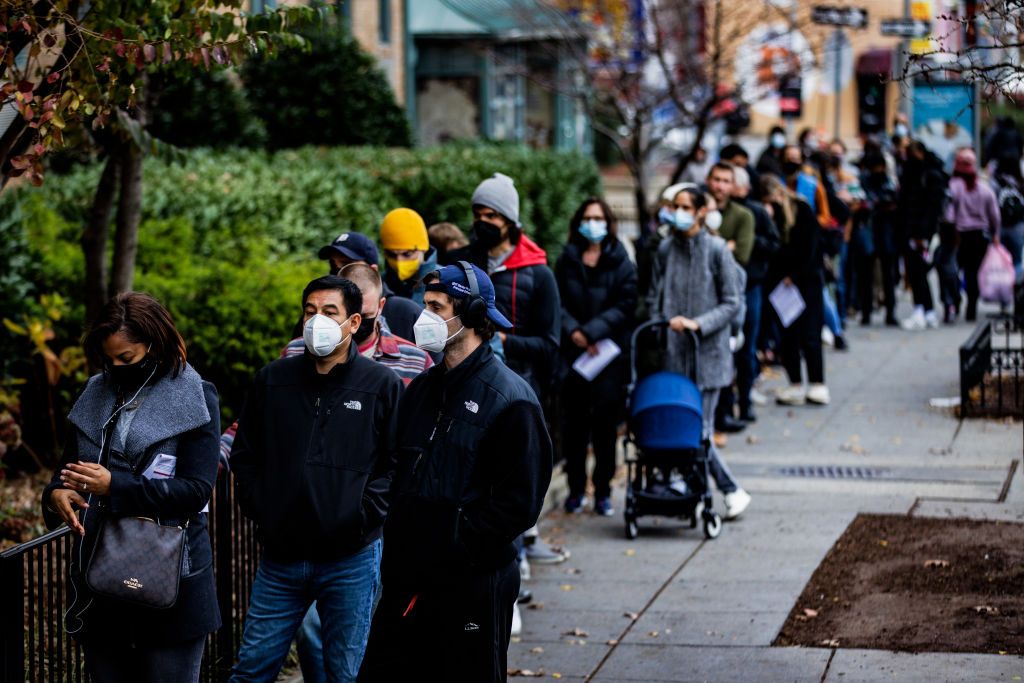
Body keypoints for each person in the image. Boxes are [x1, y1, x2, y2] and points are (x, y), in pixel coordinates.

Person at [359, 262, 553, 682]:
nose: (425, 315)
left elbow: (520, 502)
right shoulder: (423, 390)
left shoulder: (511, 399)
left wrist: (459, 540)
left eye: (436, 305)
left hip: (473, 582)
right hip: (409, 578)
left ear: (472, 315)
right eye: (425, 303)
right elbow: (395, 466)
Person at [230, 276, 404, 683]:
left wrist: (363, 515)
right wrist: (262, 507)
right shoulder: (272, 381)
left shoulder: (382, 386)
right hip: (281, 557)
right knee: (252, 668)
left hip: (350, 559)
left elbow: (396, 464)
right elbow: (246, 452)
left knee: (346, 671)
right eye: (310, 312)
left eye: (329, 313)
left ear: (355, 321)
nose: (317, 321)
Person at [42, 292, 221, 682]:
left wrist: (115, 486)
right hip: (101, 582)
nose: (116, 368)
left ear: (155, 344)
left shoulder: (195, 394)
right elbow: (66, 471)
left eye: (127, 358)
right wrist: (56, 492)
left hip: (172, 579)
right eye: (108, 359)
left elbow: (195, 490)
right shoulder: (95, 392)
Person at [293, 265, 432, 683]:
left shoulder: (411, 360)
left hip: (382, 512)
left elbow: (416, 440)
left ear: (370, 311)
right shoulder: (297, 356)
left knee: (364, 622)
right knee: (314, 625)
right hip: (319, 512)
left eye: (363, 313)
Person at [447, 173, 566, 569]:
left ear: (510, 220)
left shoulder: (539, 274)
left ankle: (512, 562)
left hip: (517, 391)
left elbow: (549, 345)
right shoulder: (462, 265)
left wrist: (502, 342)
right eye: (477, 212)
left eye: (491, 214)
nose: (482, 221)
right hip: (467, 385)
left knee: (509, 477)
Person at [647, 186, 751, 520]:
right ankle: (692, 486)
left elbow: (732, 302)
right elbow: (653, 294)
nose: (676, 212)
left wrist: (698, 324)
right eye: (674, 206)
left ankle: (730, 488)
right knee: (682, 425)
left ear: (701, 211)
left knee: (700, 430)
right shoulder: (665, 249)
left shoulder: (718, 250)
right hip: (673, 353)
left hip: (709, 355)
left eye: (683, 207)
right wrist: (657, 326)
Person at [555, 197, 637, 516]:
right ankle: (576, 489)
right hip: (575, 356)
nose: (593, 224)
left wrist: (593, 332)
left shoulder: (621, 262)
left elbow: (626, 305)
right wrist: (575, 332)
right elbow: (557, 302)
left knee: (605, 429)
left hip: (608, 357)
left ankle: (602, 490)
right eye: (587, 217)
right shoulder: (568, 260)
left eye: (598, 218)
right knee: (574, 428)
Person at [762, 175, 830, 406]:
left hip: (805, 280)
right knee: (788, 335)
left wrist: (795, 274)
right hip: (781, 284)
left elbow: (810, 247)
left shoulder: (801, 210)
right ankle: (796, 383)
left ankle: (817, 382)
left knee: (810, 333)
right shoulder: (770, 216)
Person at [706, 161, 755, 434]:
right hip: (702, 297)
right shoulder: (699, 206)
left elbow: (742, 255)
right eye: (716, 179)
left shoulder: (743, 216)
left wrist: (720, 248)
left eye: (726, 181)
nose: (720, 186)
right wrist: (726, 245)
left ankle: (734, 407)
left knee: (734, 354)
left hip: (731, 295)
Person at [731, 165, 780, 423]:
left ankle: (745, 399)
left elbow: (773, 244)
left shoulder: (757, 213)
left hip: (750, 284)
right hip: (726, 288)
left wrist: (747, 242)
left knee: (747, 346)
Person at [319, 231, 423, 342]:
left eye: (347, 264)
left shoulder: (406, 313)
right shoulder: (319, 309)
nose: (339, 271)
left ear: (372, 270)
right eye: (333, 265)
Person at [945, 147, 1001, 322]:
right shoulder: (985, 189)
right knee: (973, 273)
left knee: (953, 270)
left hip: (959, 236)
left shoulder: (953, 187)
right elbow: (995, 215)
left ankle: (954, 302)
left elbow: (949, 214)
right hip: (980, 236)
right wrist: (995, 234)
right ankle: (971, 307)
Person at [899, 141, 948, 330]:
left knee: (919, 272)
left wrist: (923, 235)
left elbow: (932, 209)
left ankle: (925, 310)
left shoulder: (929, 175)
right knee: (916, 272)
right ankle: (924, 310)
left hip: (921, 234)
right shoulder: (914, 173)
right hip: (912, 232)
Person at [857, 152, 901, 326]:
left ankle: (890, 311)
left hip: (885, 233)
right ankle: (866, 311)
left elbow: (892, 201)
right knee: (866, 276)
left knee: (888, 276)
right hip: (869, 231)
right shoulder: (864, 181)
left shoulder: (888, 182)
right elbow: (863, 200)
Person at [380, 208, 439, 307]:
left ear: (423, 248)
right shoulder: (379, 285)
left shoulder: (446, 282)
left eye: (407, 254)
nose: (399, 261)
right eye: (392, 255)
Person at [989, 153, 1024, 277]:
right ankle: (1018, 291)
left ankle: (1004, 288)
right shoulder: (1020, 182)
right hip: (1018, 228)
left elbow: (991, 208)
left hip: (1000, 228)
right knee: (1017, 261)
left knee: (1001, 261)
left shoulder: (995, 182)